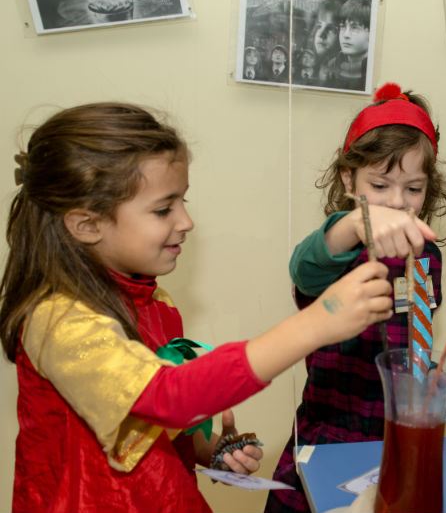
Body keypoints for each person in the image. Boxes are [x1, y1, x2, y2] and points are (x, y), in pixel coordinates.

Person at [1, 102, 393, 512]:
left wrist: (210, 448)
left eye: (182, 202)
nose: (186, 221)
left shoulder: (153, 302)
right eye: (163, 209)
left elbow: (157, 418)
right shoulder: (56, 321)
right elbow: (165, 396)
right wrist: (317, 322)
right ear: (86, 224)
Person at [265, 83, 446, 513]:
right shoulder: (334, 252)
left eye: (413, 189)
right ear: (348, 179)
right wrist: (354, 225)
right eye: (380, 184)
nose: (397, 201)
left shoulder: (427, 258)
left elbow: (419, 340)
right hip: (325, 440)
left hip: (393, 443)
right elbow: (305, 266)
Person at [322, 0, 371, 91]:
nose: (346, 35)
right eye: (343, 26)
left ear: (371, 33)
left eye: (355, 27)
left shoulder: (372, 72)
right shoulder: (331, 66)